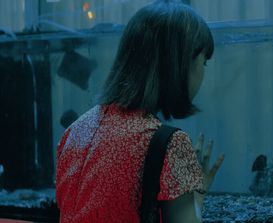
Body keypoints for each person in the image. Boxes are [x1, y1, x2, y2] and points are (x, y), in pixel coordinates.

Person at [55, 1, 224, 222]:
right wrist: (195, 199)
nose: (203, 72)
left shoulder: (73, 133)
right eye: (204, 63)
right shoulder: (170, 144)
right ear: (179, 65)